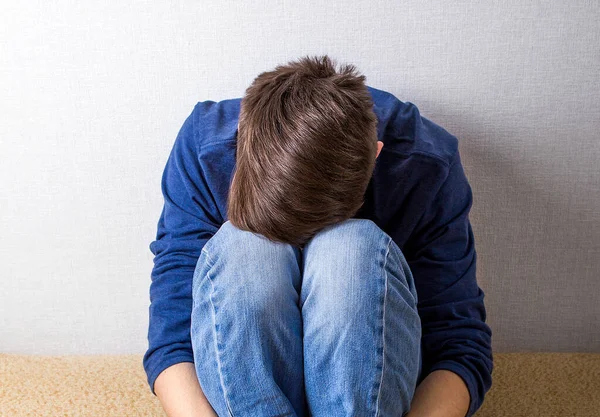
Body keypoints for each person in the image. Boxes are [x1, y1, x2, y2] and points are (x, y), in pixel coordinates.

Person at [143, 55, 493, 417]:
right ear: (240, 148)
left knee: (348, 250)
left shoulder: (427, 164)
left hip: (369, 383)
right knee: (245, 248)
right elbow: (172, 329)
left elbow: (459, 344)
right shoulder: (204, 149)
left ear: (375, 157)